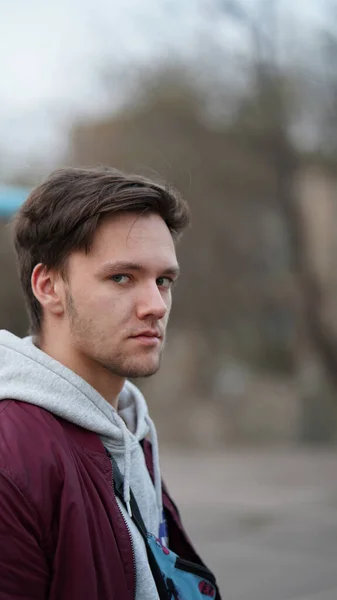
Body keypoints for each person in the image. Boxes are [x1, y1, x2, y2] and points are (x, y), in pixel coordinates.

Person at [0, 167, 221, 600]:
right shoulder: (12, 458)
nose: (156, 306)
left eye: (164, 281)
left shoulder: (128, 426)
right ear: (48, 286)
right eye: (122, 277)